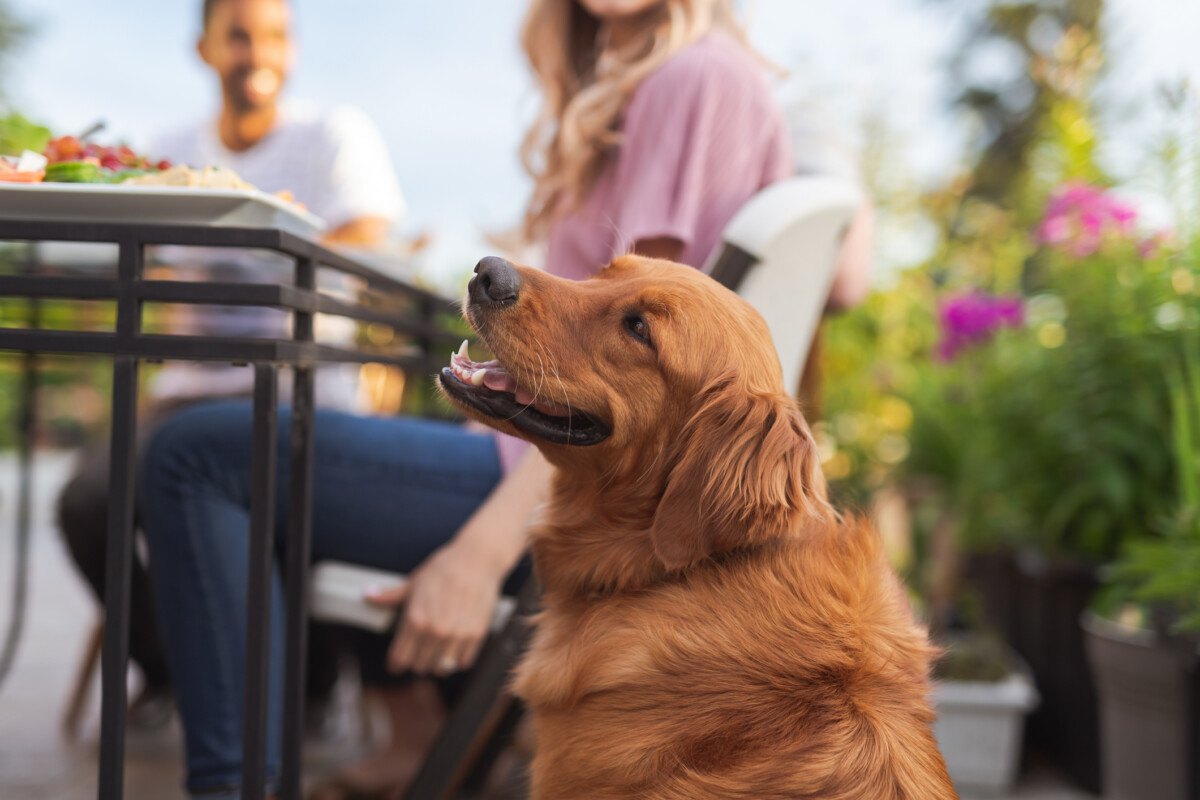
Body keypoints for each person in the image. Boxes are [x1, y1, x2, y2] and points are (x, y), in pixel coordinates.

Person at [139, 1, 873, 797]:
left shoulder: (694, 79)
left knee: (200, 457)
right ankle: (409, 731)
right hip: (535, 460)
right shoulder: (668, 78)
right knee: (296, 443)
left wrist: (485, 550)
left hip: (548, 485)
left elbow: (639, 383)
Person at [57, 0, 403, 732]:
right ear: (205, 48)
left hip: (303, 383)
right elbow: (151, 273)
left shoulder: (331, 133)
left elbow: (369, 237)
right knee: (88, 500)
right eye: (239, 34)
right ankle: (179, 670)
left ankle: (297, 687)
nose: (257, 51)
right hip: (193, 386)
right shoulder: (170, 146)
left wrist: (236, 259)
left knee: (274, 501)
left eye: (275, 34)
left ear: (295, 48)